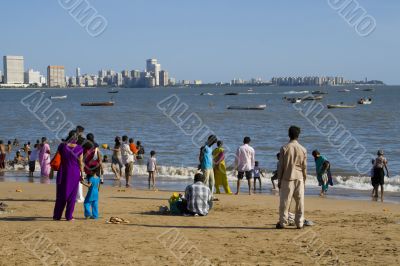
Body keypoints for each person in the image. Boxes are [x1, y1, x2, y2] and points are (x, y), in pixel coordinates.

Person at [276, 126, 307, 229]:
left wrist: (279, 180)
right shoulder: (303, 149)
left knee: (285, 202)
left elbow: (280, 166)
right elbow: (304, 167)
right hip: (299, 177)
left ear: (289, 134)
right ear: (298, 135)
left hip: (287, 177)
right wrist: (305, 179)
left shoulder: (284, 148)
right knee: (300, 202)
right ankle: (299, 223)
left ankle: (283, 222)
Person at [53, 130, 84, 221]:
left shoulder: (62, 146)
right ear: (76, 138)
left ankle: (57, 216)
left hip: (63, 171)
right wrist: (82, 174)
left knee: (60, 194)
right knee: (72, 195)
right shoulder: (79, 148)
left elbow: (56, 157)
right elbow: (80, 163)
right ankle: (69, 216)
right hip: (74, 172)